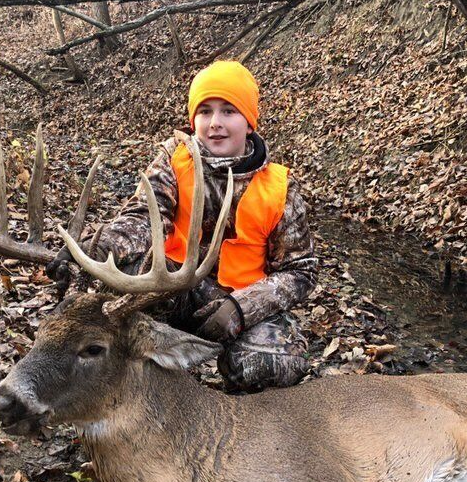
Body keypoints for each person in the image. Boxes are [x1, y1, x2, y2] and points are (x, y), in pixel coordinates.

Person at [47, 60, 317, 391]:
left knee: (278, 363)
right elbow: (144, 216)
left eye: (228, 111)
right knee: (109, 292)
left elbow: (300, 271)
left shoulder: (280, 188)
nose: (215, 123)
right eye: (205, 112)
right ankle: (127, 397)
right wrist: (95, 249)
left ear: (249, 122)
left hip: (239, 301)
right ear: (194, 120)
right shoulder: (175, 160)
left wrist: (241, 308)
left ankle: (239, 427)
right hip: (171, 290)